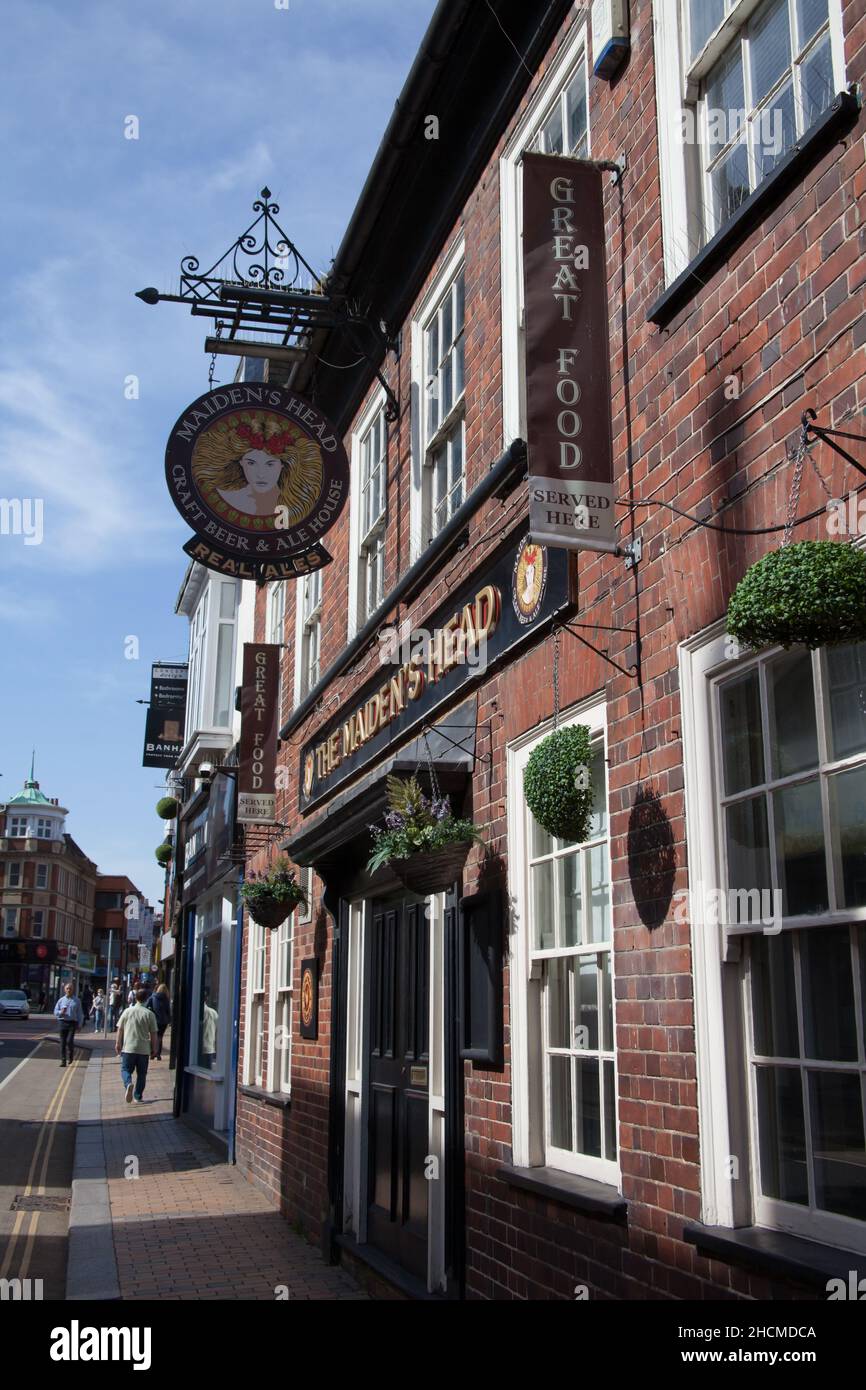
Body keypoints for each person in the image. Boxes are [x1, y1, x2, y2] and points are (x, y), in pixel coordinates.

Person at [115, 988, 157, 1103]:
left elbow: (120, 1029)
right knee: (142, 1074)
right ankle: (138, 1096)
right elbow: (154, 1034)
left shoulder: (127, 1011)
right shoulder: (150, 1014)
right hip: (143, 1049)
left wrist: (118, 1043)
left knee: (125, 1070)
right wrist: (154, 1048)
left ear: (135, 998)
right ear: (147, 999)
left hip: (129, 1047)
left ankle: (128, 1083)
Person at [54, 983, 83, 1067]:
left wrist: (80, 1025)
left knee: (69, 1041)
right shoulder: (61, 1000)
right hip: (62, 1022)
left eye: (70, 988)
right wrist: (60, 1012)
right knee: (62, 1042)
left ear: (72, 989)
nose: (68, 990)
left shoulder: (77, 1000)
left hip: (72, 1023)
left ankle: (70, 1055)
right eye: (67, 988)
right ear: (64, 990)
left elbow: (80, 1013)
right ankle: (63, 1061)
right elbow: (55, 1012)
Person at [146, 983, 172, 1061]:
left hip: (154, 1019)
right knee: (160, 1037)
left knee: (153, 1036)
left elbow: (147, 1007)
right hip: (163, 1021)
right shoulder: (166, 999)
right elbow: (168, 1010)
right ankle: (158, 1054)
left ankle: (152, 1052)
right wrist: (169, 1020)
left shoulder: (153, 997)